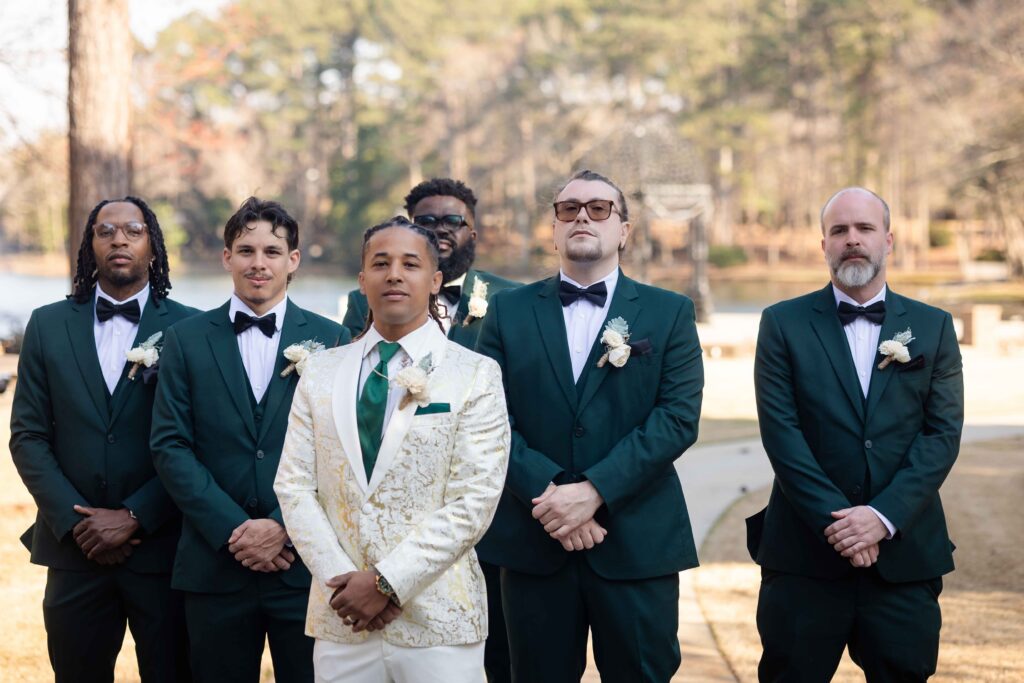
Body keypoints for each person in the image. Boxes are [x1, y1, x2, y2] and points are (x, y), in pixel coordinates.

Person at [475, 169, 704, 682]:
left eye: (599, 208)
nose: (582, 216)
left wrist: (595, 490)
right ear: (554, 230)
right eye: (568, 208)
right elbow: (487, 420)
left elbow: (677, 419)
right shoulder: (507, 312)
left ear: (624, 229)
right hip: (535, 541)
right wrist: (552, 491)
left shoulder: (670, 313)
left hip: (638, 543)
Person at [274, 216, 509, 682]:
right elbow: (295, 486)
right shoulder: (319, 373)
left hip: (438, 620)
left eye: (410, 264)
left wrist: (386, 583)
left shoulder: (475, 374)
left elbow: (474, 500)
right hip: (342, 619)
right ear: (362, 280)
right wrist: (345, 584)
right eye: (380, 263)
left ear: (435, 279)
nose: (394, 274)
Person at [747, 186, 964, 682]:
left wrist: (882, 517)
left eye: (864, 228)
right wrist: (842, 525)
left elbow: (941, 435)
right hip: (804, 557)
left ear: (888, 240)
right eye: (839, 230)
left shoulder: (933, 327)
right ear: (822, 244)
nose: (852, 240)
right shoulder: (782, 323)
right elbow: (782, 434)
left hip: (902, 557)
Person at [150, 197, 349, 682]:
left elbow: (341, 451)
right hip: (214, 561)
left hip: (305, 565)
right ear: (226, 257)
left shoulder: (335, 340)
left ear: (293, 260)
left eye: (272, 251)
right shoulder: (185, 338)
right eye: (245, 250)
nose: (258, 263)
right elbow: (170, 445)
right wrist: (234, 530)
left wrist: (284, 526)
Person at [11, 196, 196, 682]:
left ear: (153, 245)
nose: (119, 240)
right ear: (89, 245)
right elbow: (27, 435)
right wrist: (78, 526)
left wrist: (136, 516)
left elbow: (200, 440)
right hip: (75, 552)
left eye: (133, 231)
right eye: (105, 231)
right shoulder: (48, 324)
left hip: (163, 549)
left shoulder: (192, 328)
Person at [342, 177, 519, 682]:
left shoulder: (512, 300)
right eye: (426, 221)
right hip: (392, 512)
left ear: (473, 232)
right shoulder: (366, 301)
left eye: (453, 221)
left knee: (494, 655)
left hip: (485, 508)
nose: (440, 230)